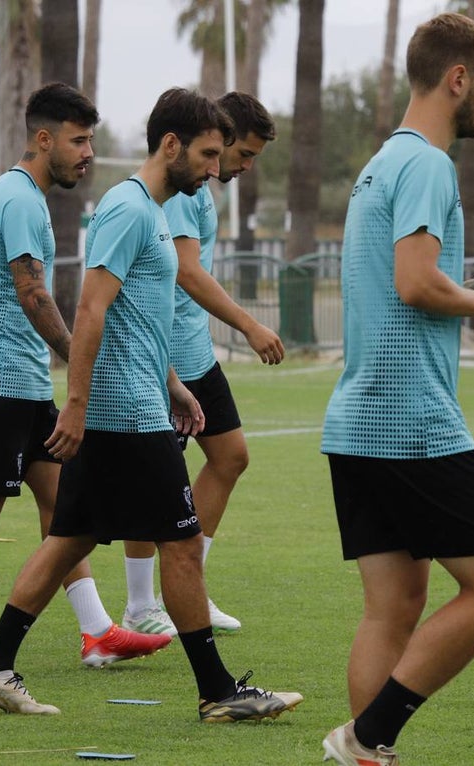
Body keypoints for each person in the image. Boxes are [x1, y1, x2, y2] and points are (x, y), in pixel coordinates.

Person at [0, 87, 302, 722]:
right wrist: (78, 405)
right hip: (124, 415)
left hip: (141, 400)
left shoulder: (149, 210)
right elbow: (91, 308)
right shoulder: (129, 209)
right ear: (170, 145)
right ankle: (219, 692)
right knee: (179, 542)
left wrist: (173, 381)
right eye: (205, 154)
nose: (212, 167)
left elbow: (135, 318)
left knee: (68, 538)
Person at [319, 14, 474, 765]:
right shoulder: (431, 165)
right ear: (458, 79)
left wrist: (466, 288)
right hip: (413, 424)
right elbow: (412, 284)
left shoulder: (382, 163)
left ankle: (367, 758)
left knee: (394, 607)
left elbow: (402, 281)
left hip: (356, 423)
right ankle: (366, 737)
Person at [0, 82, 170, 670]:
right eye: (78, 141)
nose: (87, 153)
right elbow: (33, 293)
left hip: (20, 380)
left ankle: (98, 630)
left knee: (63, 506)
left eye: (91, 141)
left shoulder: (13, 192)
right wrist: (80, 354)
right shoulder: (22, 198)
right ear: (43, 138)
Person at [121, 92, 283, 637]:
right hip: (165, 357)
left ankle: (189, 586)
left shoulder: (200, 189)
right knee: (147, 486)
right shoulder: (186, 188)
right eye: (246, 155)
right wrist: (250, 324)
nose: (242, 167)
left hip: (193, 353)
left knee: (230, 456)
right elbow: (187, 272)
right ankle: (143, 604)